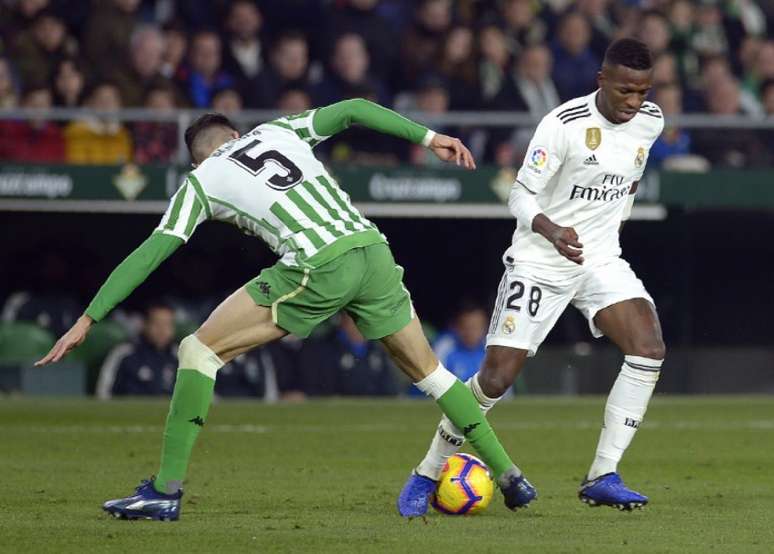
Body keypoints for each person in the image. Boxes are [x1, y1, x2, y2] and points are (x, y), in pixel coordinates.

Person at [36, 98, 535, 521]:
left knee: (198, 350)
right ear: (236, 133)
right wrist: (430, 139)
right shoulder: (279, 130)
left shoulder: (201, 180)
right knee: (432, 373)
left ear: (196, 159)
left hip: (317, 264)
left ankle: (165, 492)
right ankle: (511, 476)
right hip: (372, 250)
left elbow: (153, 250)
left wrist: (89, 317)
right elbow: (356, 109)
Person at [399, 38, 666, 516]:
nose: (634, 102)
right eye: (625, 91)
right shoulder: (562, 125)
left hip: (600, 258)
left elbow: (633, 173)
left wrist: (615, 220)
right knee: (496, 379)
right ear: (600, 80)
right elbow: (519, 196)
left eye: (642, 92)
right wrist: (553, 229)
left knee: (648, 348)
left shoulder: (651, 121)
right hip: (541, 259)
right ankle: (426, 471)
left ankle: (603, 473)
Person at [95, 302, 177, 399]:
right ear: (145, 324)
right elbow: (103, 393)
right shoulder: (124, 353)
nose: (162, 330)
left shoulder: (180, 356)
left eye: (167, 324)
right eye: (157, 324)